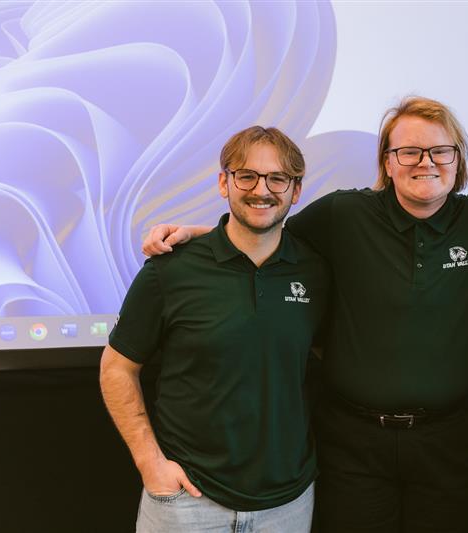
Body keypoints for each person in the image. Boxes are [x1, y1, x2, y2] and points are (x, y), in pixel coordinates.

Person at [142, 96, 468, 533]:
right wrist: (197, 232)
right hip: (352, 440)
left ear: (458, 160)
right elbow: (263, 230)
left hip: (447, 441)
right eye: (409, 152)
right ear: (387, 161)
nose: (425, 162)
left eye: (440, 151)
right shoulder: (343, 214)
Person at [100, 126, 329, 532]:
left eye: (278, 178)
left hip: (288, 505)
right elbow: (117, 367)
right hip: (186, 501)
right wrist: (150, 463)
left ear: (295, 191)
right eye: (247, 175)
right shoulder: (171, 269)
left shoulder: (316, 271)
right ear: (224, 182)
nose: (262, 189)